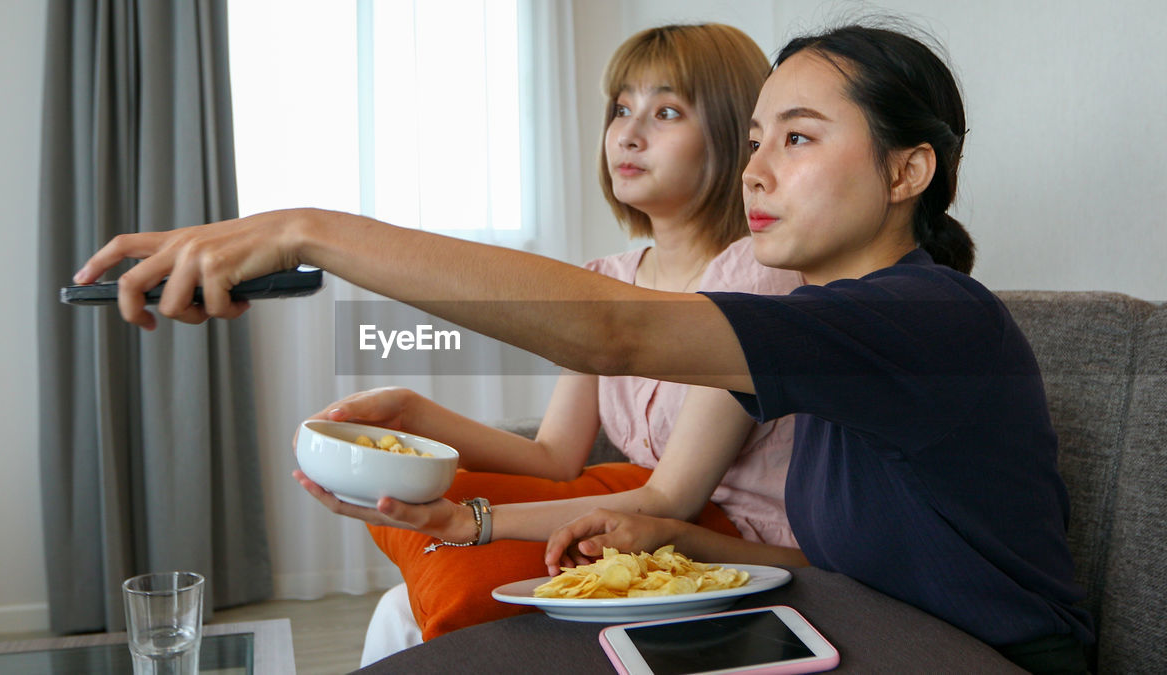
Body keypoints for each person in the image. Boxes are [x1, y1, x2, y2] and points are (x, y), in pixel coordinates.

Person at [74, 22, 1093, 674]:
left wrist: (308, 230)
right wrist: (647, 538)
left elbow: (615, 333)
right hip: (846, 621)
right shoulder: (808, 332)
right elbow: (835, 558)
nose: (757, 169)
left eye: (796, 136)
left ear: (907, 168)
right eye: (754, 142)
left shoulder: (926, 317)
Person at [308, 23, 804, 654]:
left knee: (418, 605)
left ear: (734, 135)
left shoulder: (757, 278)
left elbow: (668, 496)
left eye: (667, 111)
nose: (628, 132)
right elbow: (554, 458)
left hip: (731, 548)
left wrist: (475, 523)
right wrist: (414, 413)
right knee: (400, 608)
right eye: (622, 108)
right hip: (639, 532)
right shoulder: (607, 281)